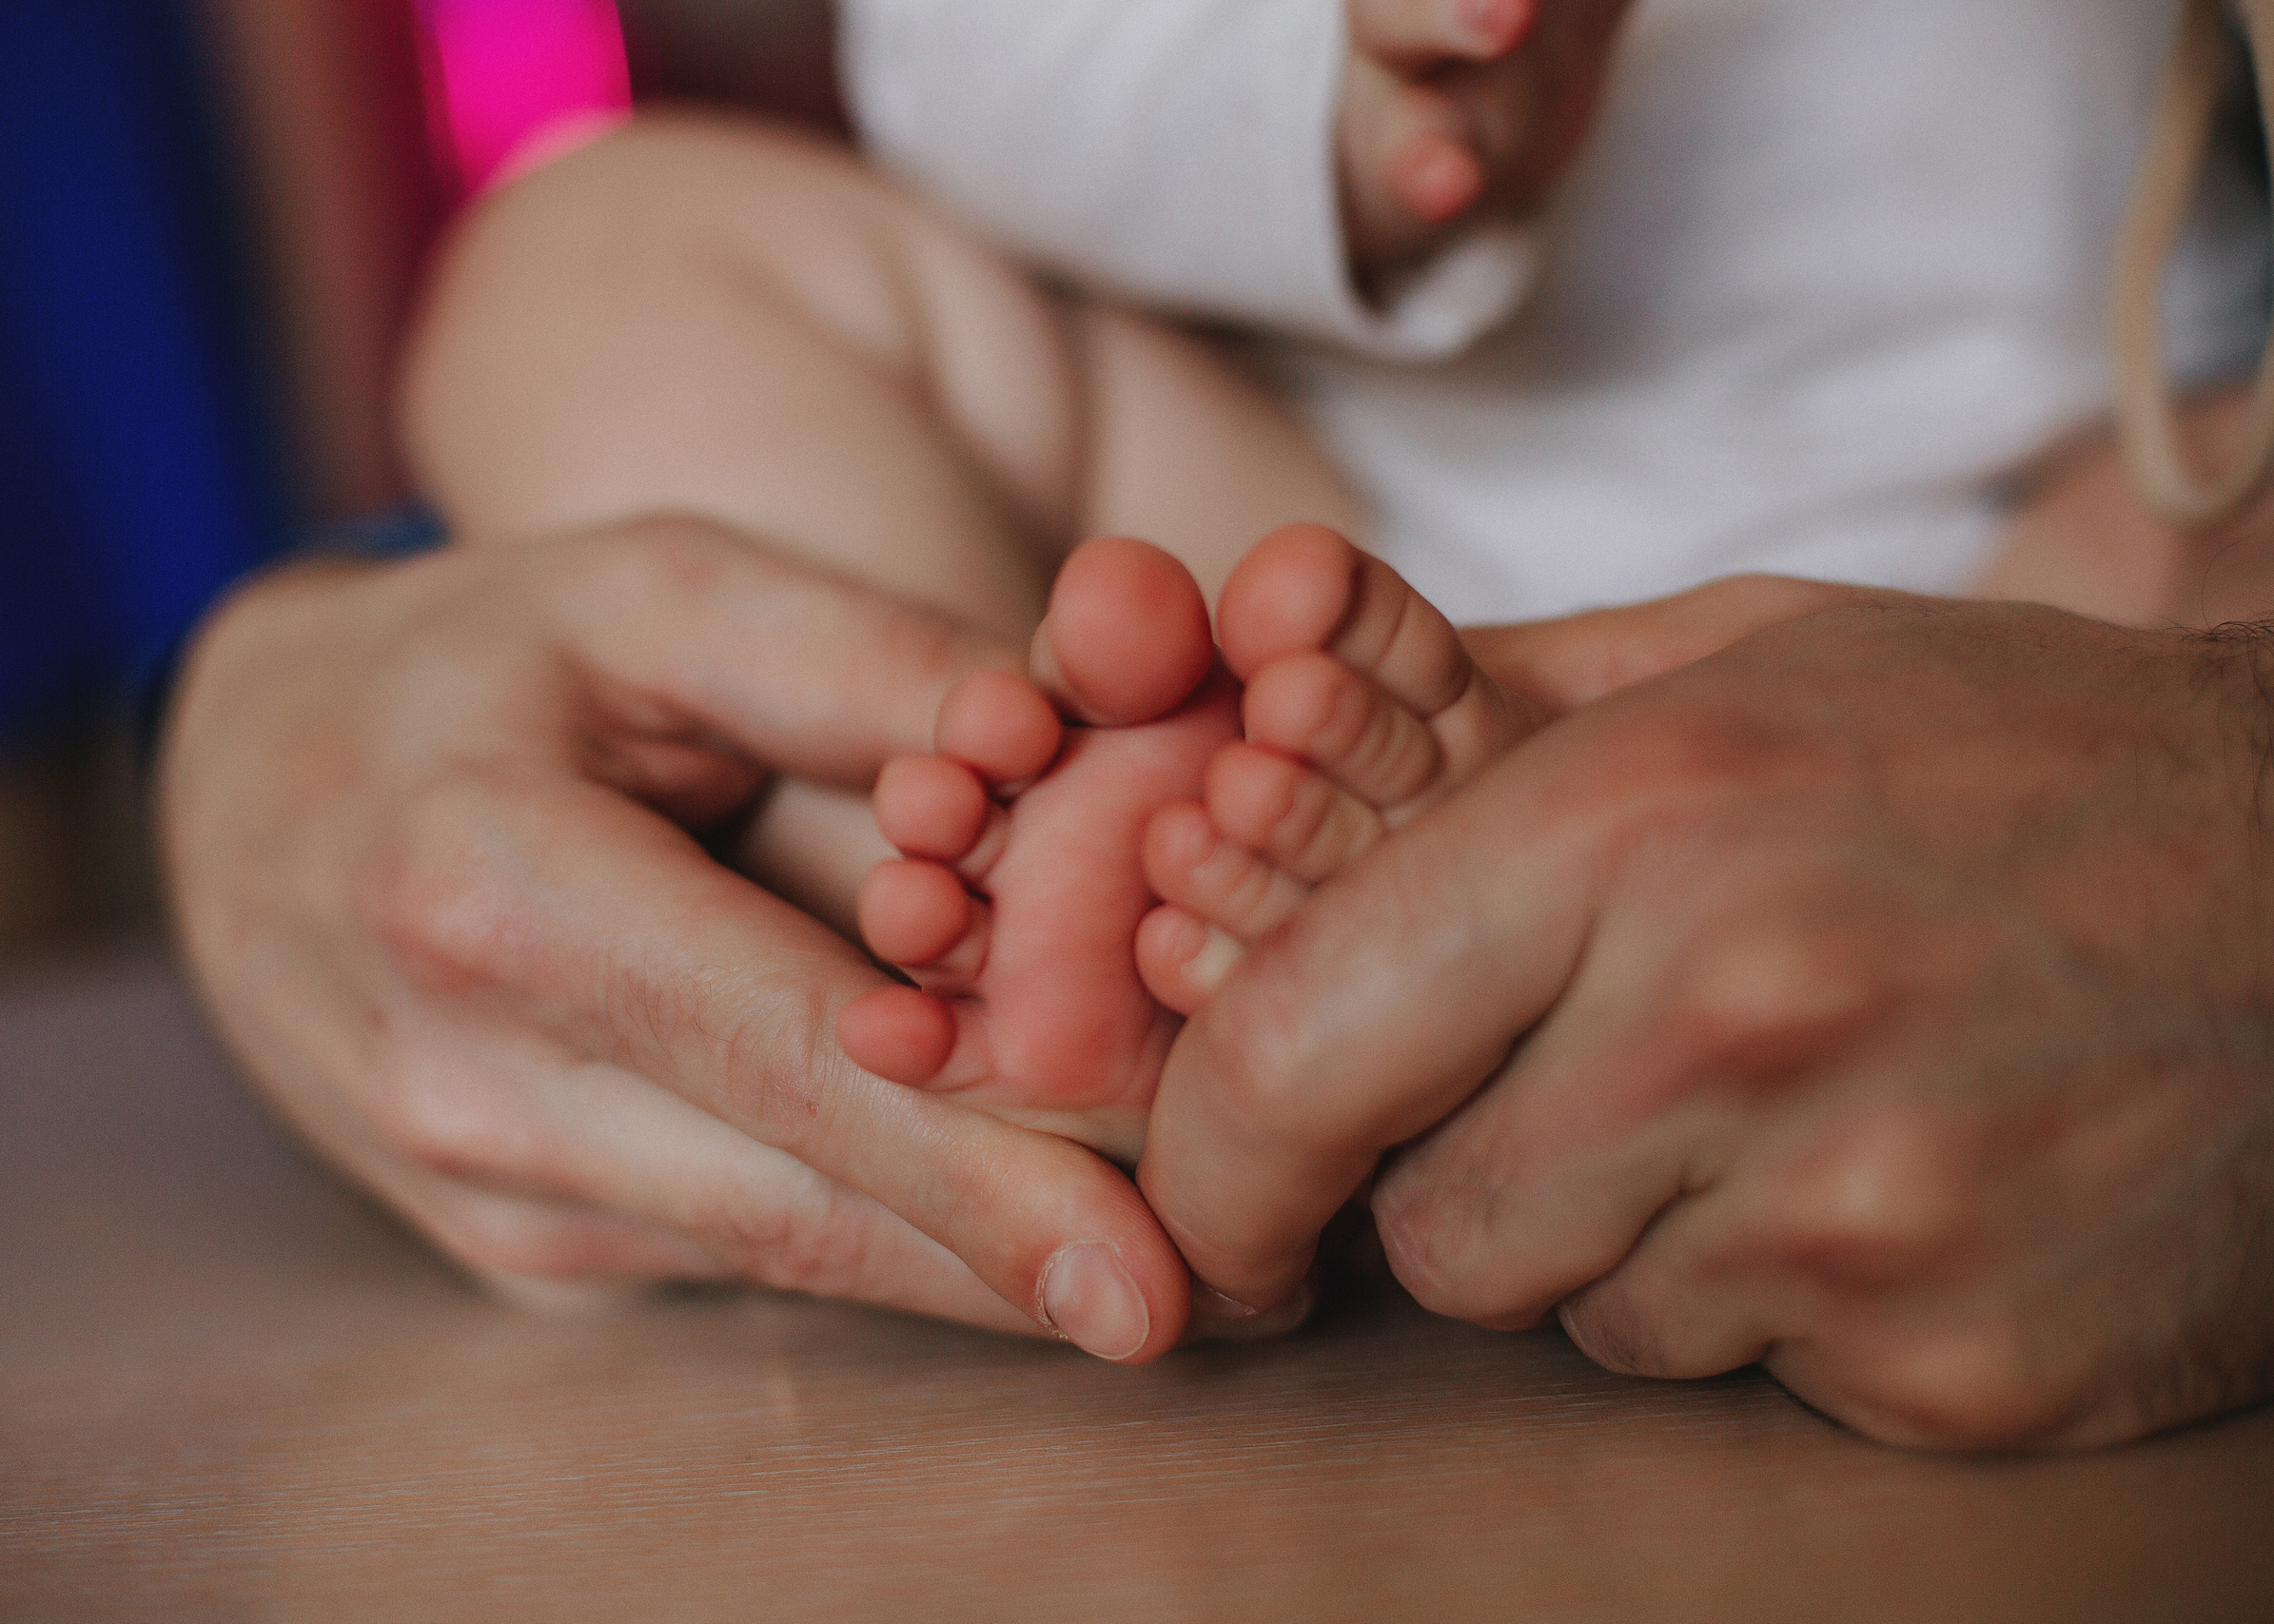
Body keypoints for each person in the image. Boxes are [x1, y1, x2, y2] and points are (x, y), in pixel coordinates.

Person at [159, 0, 2274, 1441]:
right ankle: (1032, 925)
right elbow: (971, 57)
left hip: (2043, 568)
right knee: (592, 258)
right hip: (1314, 527)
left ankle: (1267, 937)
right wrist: (1347, 118)